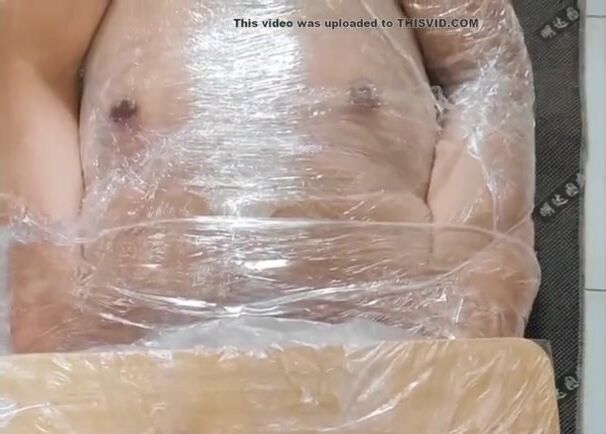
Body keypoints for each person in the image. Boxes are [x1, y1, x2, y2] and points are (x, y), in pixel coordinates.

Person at [0, 0, 539, 352]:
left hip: (395, 342)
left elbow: (486, 68)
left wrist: (477, 294)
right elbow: (29, 72)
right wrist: (44, 300)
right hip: (119, 347)